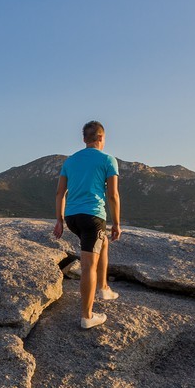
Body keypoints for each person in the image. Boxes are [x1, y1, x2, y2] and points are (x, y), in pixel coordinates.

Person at [53, 120, 121, 329]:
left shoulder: (70, 161)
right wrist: (117, 223)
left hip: (73, 217)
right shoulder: (108, 160)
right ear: (101, 138)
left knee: (103, 243)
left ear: (84, 139)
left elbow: (59, 193)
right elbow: (113, 195)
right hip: (92, 216)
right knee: (88, 265)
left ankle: (103, 287)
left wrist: (59, 220)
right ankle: (87, 316)